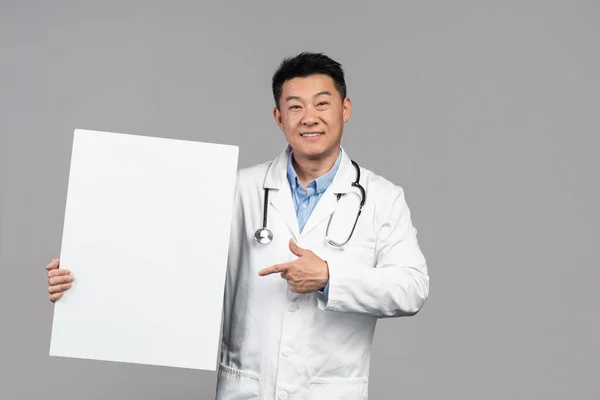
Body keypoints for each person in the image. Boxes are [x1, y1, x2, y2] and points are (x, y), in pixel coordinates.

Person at [46, 52, 429, 399]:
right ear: (279, 118)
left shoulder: (382, 198)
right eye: (294, 106)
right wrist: (87, 274)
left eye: (322, 104)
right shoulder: (237, 189)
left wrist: (330, 276)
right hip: (246, 390)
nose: (309, 117)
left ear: (345, 109)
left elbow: (412, 288)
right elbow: (170, 261)